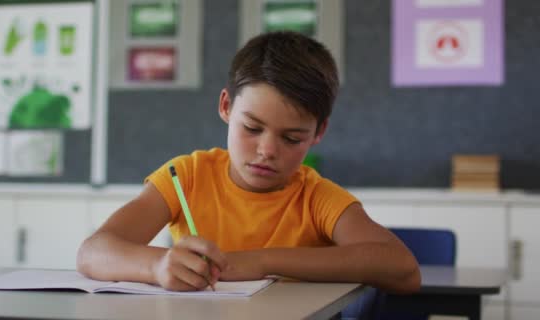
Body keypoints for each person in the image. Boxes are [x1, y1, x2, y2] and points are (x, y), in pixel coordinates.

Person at [77, 31, 421, 294]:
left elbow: (403, 269)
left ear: (319, 132)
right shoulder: (187, 175)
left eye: (292, 138)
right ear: (226, 107)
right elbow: (93, 252)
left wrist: (260, 261)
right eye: (252, 128)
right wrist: (157, 267)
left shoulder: (316, 198)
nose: (267, 150)